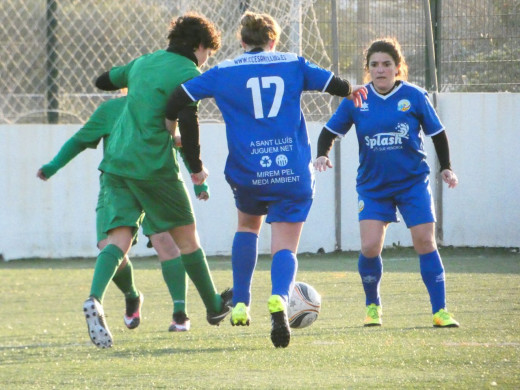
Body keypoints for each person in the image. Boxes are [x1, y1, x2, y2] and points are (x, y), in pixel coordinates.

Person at [165, 11, 367, 348]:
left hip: (248, 171)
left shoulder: (223, 71)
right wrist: (351, 90)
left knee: (247, 228)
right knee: (285, 245)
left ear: (242, 42)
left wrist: (171, 126)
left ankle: (242, 302)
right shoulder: (292, 62)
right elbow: (333, 83)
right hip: (291, 170)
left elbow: (178, 98)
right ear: (273, 40)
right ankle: (278, 299)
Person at [87, 12, 231, 348]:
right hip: (153, 165)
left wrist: (138, 85)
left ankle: (94, 298)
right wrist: (196, 168)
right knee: (187, 239)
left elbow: (103, 80)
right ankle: (213, 306)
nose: (206, 60)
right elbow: (188, 122)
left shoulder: (143, 62)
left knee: (118, 239)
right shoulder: (188, 72)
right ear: (198, 46)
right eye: (208, 52)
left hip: (117, 163)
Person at [314, 37, 460, 328]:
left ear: (397, 67)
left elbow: (438, 134)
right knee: (369, 247)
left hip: (412, 183)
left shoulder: (415, 96)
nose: (380, 70)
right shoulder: (357, 98)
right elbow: (328, 132)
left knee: (425, 241)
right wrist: (321, 155)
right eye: (374, 65)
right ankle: (372, 307)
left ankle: (440, 311)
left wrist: (446, 167)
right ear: (368, 69)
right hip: (373, 186)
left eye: (386, 64)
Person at [36, 95, 209, 336]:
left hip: (155, 184)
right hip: (119, 187)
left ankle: (180, 312)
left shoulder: (160, 107)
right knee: (108, 246)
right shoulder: (110, 110)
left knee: (165, 243)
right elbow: (80, 140)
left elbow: (179, 143)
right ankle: (132, 295)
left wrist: (197, 179)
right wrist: (53, 165)